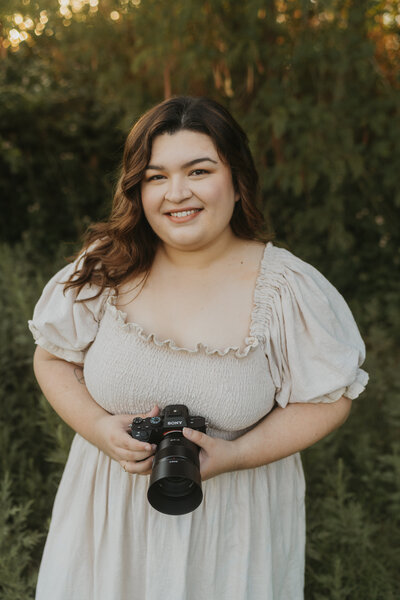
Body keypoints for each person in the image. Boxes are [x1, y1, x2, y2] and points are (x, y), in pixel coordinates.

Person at [29, 96, 368, 600]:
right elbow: (53, 356)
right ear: (137, 190)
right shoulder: (107, 266)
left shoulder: (287, 287)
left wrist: (236, 455)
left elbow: (330, 397)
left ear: (237, 181)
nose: (177, 193)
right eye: (156, 176)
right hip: (107, 522)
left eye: (199, 170)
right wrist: (99, 428)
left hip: (233, 531)